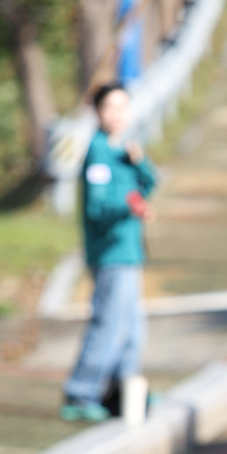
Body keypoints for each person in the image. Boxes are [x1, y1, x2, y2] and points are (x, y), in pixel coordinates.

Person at [61, 83, 157, 422]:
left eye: (122, 107)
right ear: (98, 112)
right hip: (110, 252)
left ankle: (123, 393)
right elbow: (97, 208)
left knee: (133, 330)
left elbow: (150, 184)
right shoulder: (98, 151)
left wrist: (140, 162)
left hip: (129, 251)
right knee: (109, 325)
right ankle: (80, 393)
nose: (117, 114)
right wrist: (129, 208)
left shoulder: (124, 149)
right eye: (110, 107)